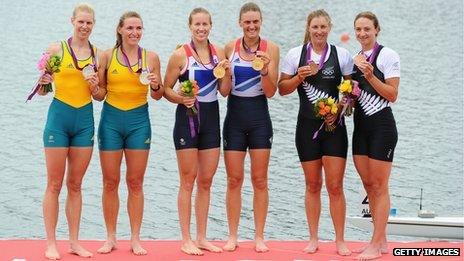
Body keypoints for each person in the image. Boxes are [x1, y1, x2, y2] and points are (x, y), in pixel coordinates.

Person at [278, 9, 353, 256]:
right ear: (308, 29)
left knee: (335, 186)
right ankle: (313, 238)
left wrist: (340, 110)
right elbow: (282, 89)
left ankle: (340, 240)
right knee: (312, 185)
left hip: (335, 128)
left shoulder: (341, 55)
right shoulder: (294, 55)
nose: (319, 31)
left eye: (323, 27)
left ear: (329, 28)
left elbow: (351, 93)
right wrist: (299, 77)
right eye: (315, 27)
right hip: (306, 128)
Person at [93, 11, 163, 255]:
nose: (135, 32)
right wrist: (93, 87)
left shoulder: (151, 57)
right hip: (111, 122)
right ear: (120, 30)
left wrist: (155, 84)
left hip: (139, 123)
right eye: (130, 28)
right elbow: (100, 94)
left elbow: (157, 94)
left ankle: (135, 238)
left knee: (135, 182)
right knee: (110, 182)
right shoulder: (106, 56)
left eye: (139, 28)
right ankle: (110, 237)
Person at [163, 7, 231, 256]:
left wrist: (229, 71)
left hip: (211, 118)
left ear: (210, 26)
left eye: (205, 24)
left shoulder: (220, 52)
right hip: (187, 119)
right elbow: (165, 90)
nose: (201, 29)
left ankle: (202, 237)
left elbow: (224, 91)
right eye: (197, 25)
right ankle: (186, 238)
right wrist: (181, 99)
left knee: (206, 180)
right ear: (190, 26)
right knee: (188, 180)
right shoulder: (180, 55)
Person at [37, 3, 99, 260]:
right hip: (59, 119)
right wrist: (43, 83)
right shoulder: (56, 50)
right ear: (72, 21)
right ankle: (51, 243)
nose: (84, 27)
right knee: (54, 183)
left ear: (93, 25)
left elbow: (98, 95)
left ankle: (74, 242)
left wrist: (95, 86)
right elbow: (42, 91)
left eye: (89, 23)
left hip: (84, 119)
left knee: (75, 184)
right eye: (80, 22)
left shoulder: (98, 54)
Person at [222, 2, 279, 253]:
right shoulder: (229, 48)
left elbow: (271, 92)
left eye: (255, 21)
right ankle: (233, 235)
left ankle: (258, 236)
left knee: (260, 180)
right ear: (240, 23)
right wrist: (223, 73)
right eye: (247, 22)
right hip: (234, 118)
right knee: (234, 180)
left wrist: (266, 70)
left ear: (261, 22)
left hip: (259, 119)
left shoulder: (271, 49)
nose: (252, 26)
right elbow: (224, 92)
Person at [351, 11, 400, 261]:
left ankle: (374, 244)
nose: (362, 34)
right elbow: (353, 95)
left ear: (376, 30)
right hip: (360, 128)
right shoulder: (355, 58)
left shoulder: (388, 55)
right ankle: (381, 240)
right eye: (358, 29)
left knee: (380, 186)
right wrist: (344, 100)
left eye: (367, 29)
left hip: (382, 127)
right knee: (369, 185)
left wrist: (370, 76)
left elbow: (392, 95)